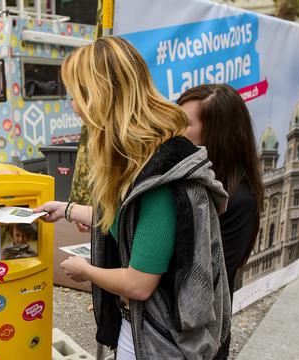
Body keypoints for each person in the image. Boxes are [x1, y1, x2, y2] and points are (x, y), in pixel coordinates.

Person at [35, 37, 232, 359]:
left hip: (162, 339)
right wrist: (68, 210)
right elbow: (133, 220)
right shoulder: (148, 157)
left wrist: (84, 269)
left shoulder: (160, 177)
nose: (72, 104)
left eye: (78, 93)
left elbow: (138, 283)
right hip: (150, 328)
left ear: (101, 97)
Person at [177, 84, 263, 298]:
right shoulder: (179, 174)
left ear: (217, 134)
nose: (172, 130)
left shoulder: (241, 202)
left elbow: (206, 281)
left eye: (184, 123)